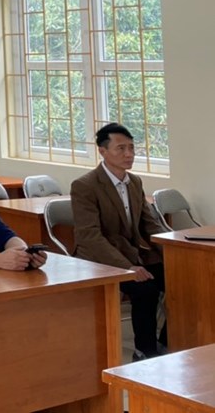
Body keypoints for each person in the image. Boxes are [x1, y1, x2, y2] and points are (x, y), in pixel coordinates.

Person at [72, 122, 168, 360]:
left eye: (132, 148)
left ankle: (167, 342)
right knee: (145, 290)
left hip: (134, 253)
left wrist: (173, 254)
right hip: (100, 258)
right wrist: (127, 267)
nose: (129, 154)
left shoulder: (134, 182)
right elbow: (90, 236)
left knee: (184, 278)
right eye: (121, 148)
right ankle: (144, 352)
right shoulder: (85, 185)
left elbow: (150, 224)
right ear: (103, 151)